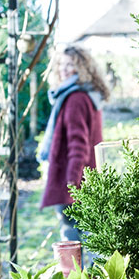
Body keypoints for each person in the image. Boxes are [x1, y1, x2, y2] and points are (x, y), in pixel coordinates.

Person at [38, 45, 110, 242]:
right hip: (89, 179)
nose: (63, 69)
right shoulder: (89, 95)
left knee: (71, 242)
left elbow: (79, 146)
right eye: (61, 64)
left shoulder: (75, 99)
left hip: (75, 180)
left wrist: (71, 186)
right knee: (93, 239)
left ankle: (73, 274)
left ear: (82, 68)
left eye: (70, 65)